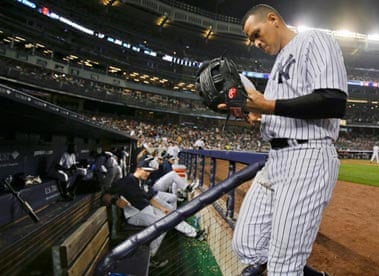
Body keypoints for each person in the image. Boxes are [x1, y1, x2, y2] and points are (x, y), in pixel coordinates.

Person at [230, 4, 348, 276]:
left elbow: (333, 101)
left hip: (307, 157)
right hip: (276, 161)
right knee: (246, 246)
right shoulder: (278, 65)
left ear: (273, 20)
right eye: (251, 40)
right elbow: (280, 111)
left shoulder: (315, 39)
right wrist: (255, 116)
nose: (256, 42)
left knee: (284, 268)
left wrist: (268, 106)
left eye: (257, 33)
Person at [105, 157, 202, 261]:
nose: (148, 174)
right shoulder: (126, 181)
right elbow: (105, 195)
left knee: (170, 215)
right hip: (134, 215)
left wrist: (162, 208)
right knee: (162, 224)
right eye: (146, 171)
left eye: (149, 171)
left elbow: (150, 198)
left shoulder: (142, 182)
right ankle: (151, 257)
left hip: (146, 210)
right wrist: (114, 201)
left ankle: (194, 233)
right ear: (138, 169)